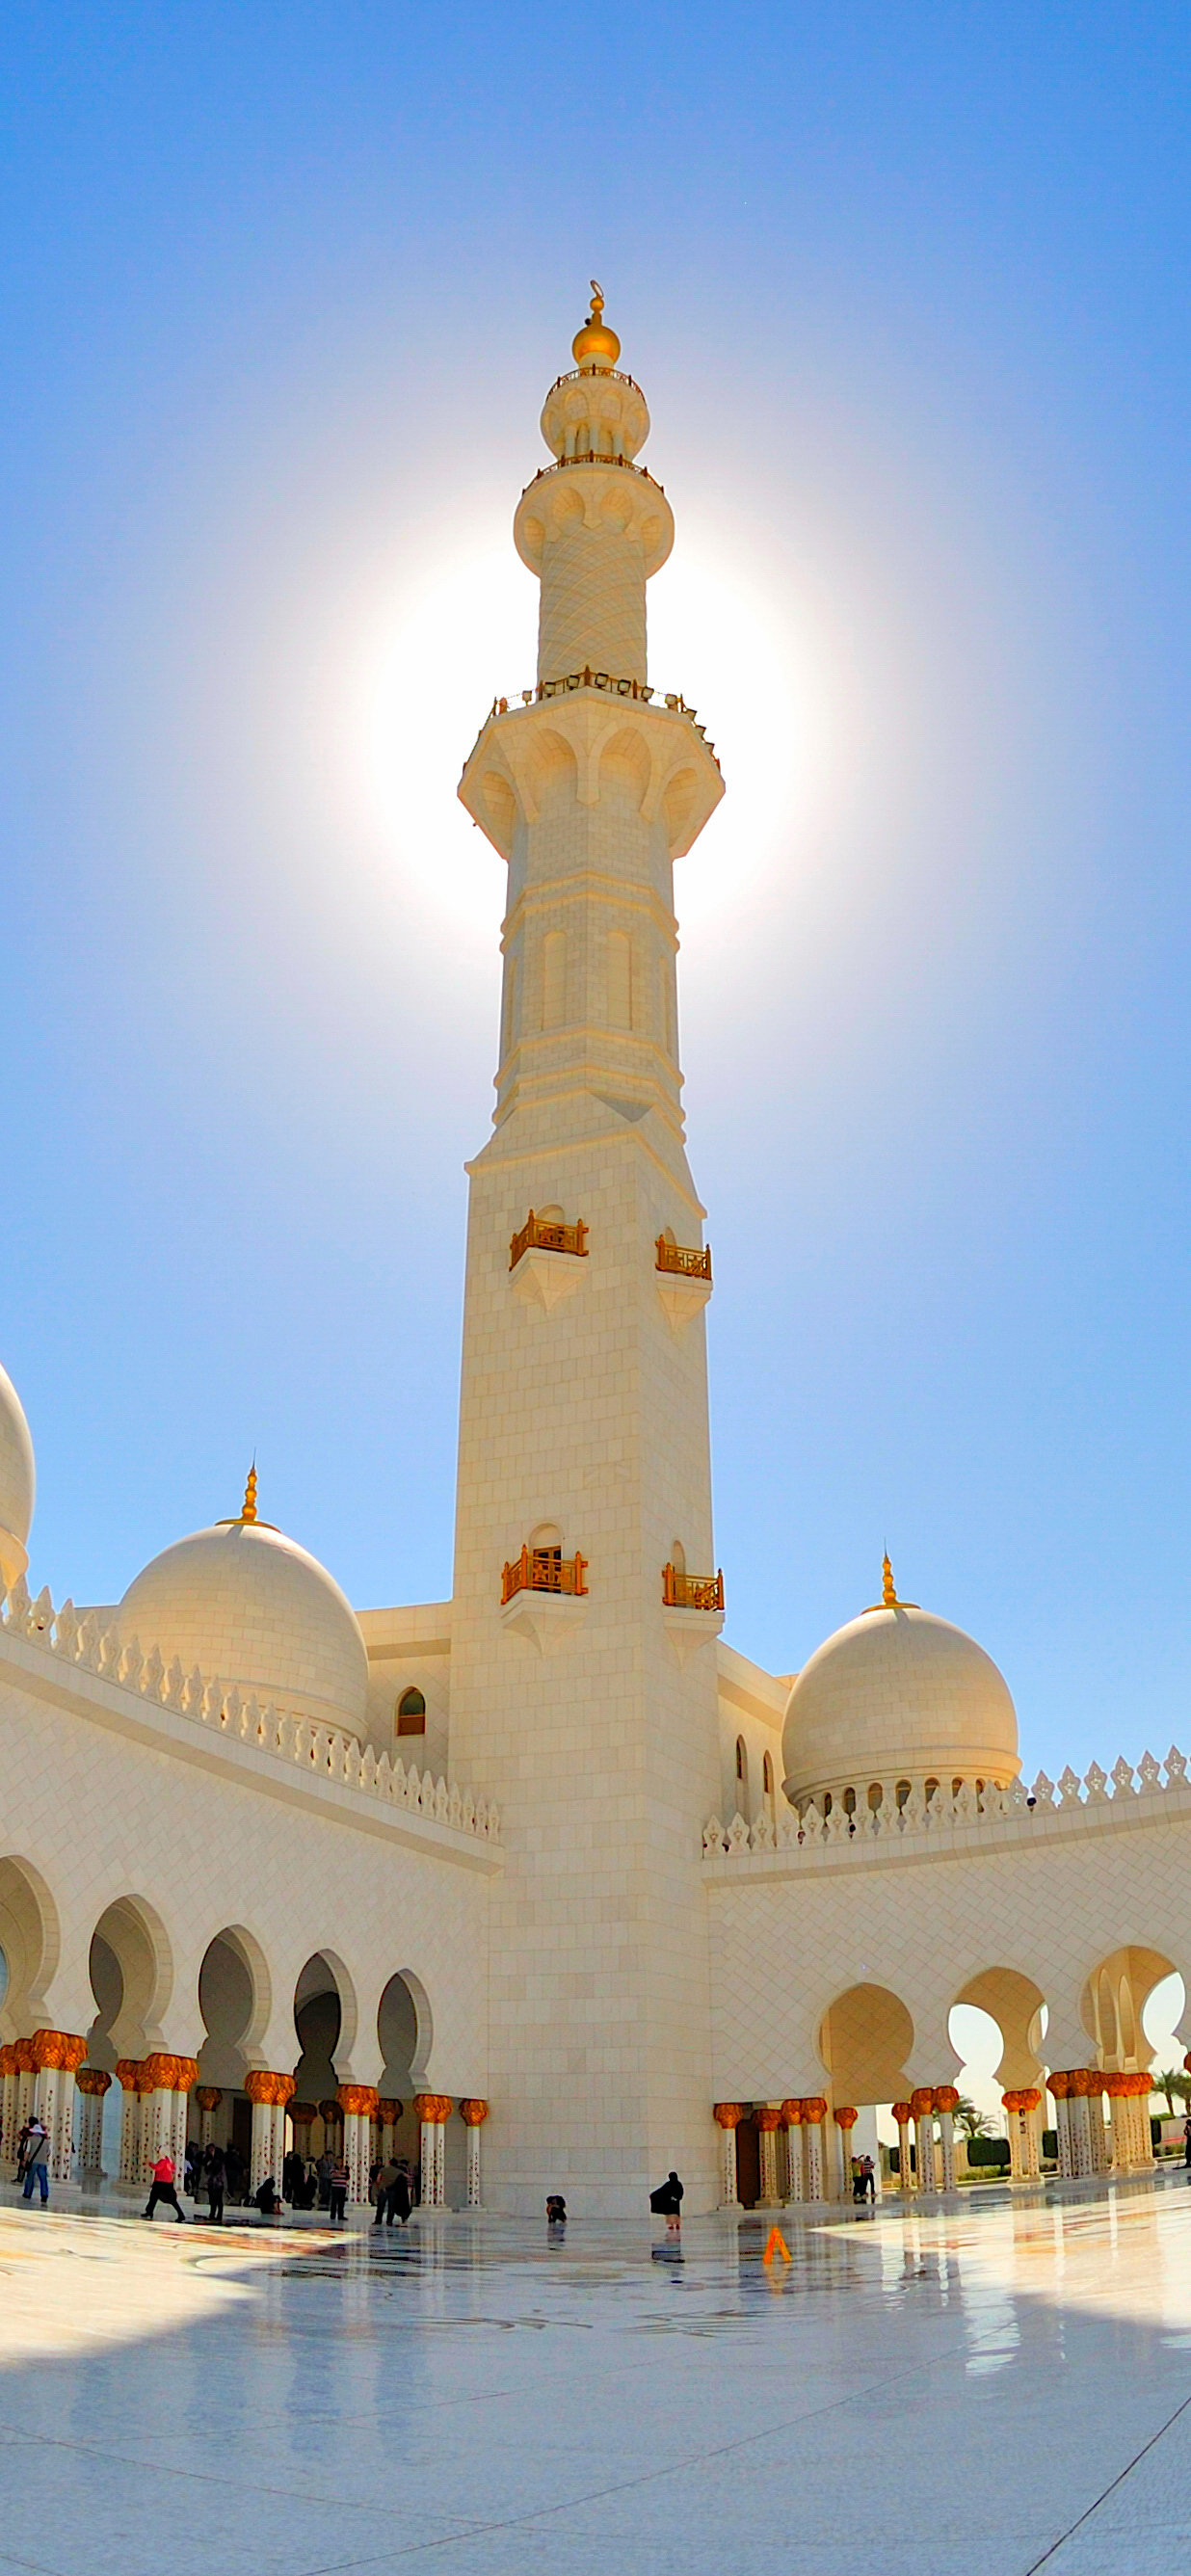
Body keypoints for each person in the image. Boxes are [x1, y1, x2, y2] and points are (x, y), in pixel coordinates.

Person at [144, 2150, 186, 2221]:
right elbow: (173, 2169)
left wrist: (149, 2163)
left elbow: (157, 2168)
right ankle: (149, 2211)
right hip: (167, 2183)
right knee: (154, 2197)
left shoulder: (163, 2161)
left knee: (164, 2199)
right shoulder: (169, 2161)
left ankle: (181, 2215)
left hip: (161, 2183)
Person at [20, 2118, 49, 2205]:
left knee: (30, 2178)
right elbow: (48, 2152)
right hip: (43, 2162)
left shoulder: (30, 2139)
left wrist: (24, 2161)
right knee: (43, 2179)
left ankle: (27, 2193)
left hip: (33, 2162)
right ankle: (44, 2195)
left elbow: (27, 2151)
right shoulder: (46, 2142)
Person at [205, 2144, 225, 2224]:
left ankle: (216, 2214)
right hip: (216, 2183)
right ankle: (214, 2214)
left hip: (216, 2183)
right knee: (215, 2199)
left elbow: (213, 2171)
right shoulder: (211, 2160)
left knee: (216, 2199)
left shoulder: (217, 2162)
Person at [329, 2153, 349, 2222]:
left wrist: (342, 2172)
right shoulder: (333, 2168)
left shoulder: (346, 2168)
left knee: (341, 2202)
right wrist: (340, 2172)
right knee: (334, 2202)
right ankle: (333, 2215)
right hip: (335, 2187)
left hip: (342, 2187)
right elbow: (333, 2175)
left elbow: (347, 2177)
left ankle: (341, 2215)